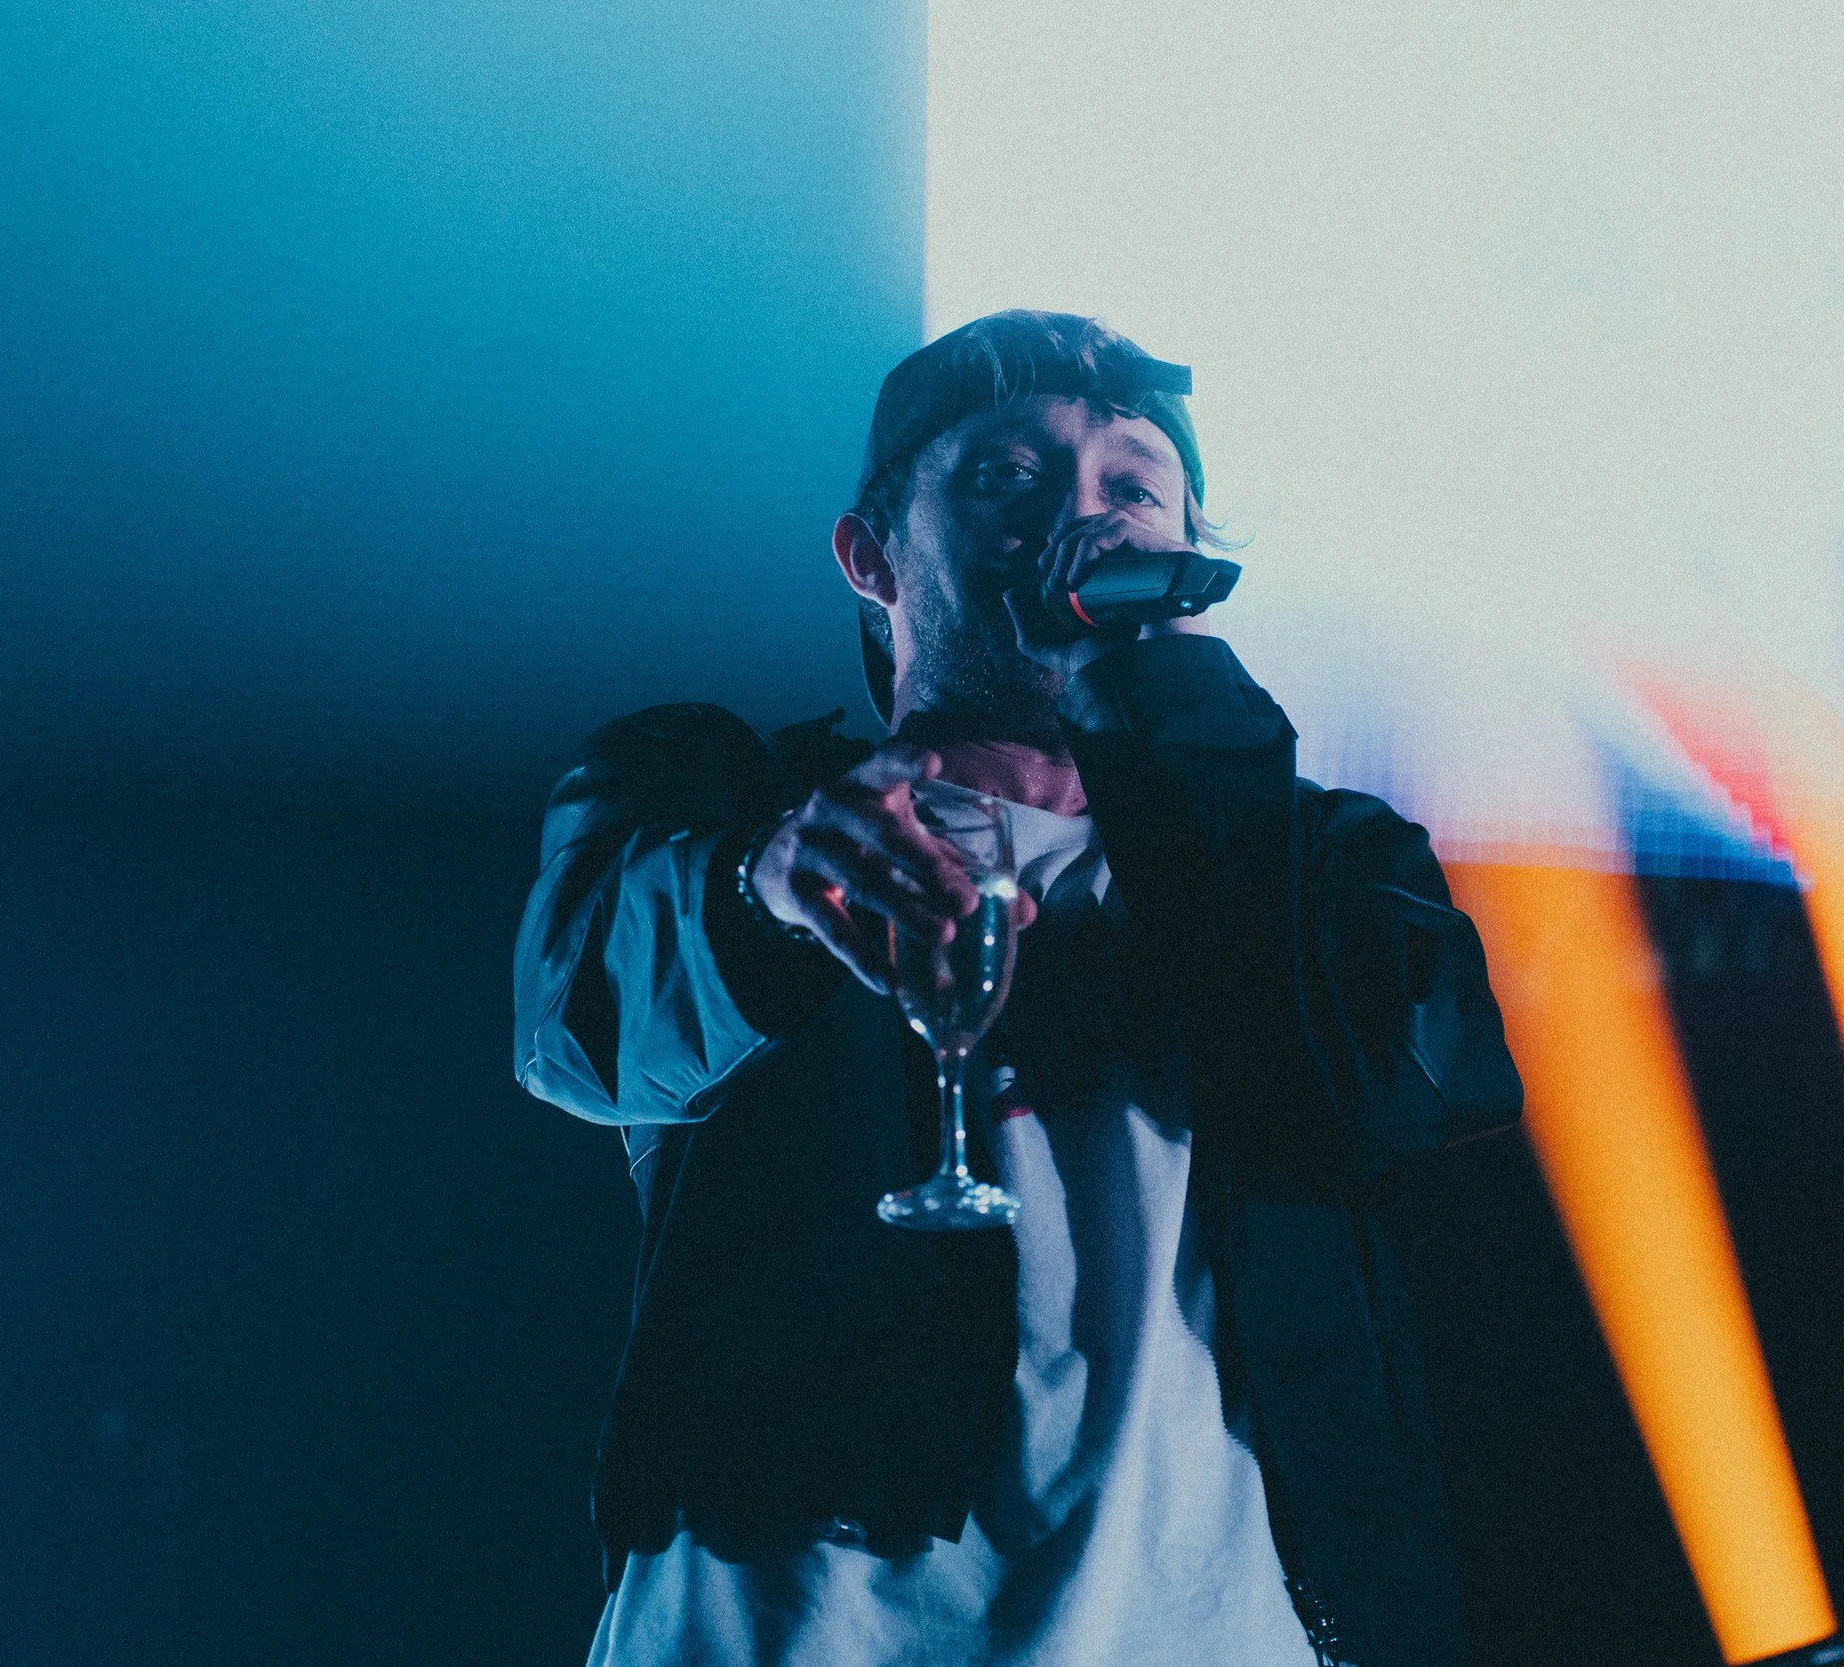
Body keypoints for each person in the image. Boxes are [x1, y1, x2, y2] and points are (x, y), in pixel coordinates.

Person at [512, 310, 1523, 1667]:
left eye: (1129, 487)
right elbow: (580, 1024)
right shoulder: (724, 797)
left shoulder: (1315, 858)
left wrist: (1183, 728)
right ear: (872, 554)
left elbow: (1413, 1087)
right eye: (1008, 477)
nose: (1078, 517)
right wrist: (769, 883)